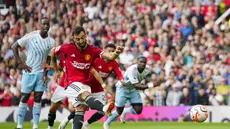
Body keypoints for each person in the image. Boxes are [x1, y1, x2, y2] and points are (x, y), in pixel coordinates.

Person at [50, 26, 123, 129]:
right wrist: (56, 69)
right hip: (71, 83)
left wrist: (116, 53)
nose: (81, 40)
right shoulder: (67, 48)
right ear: (73, 38)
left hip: (85, 84)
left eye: (83, 37)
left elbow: (110, 57)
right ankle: (104, 107)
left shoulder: (92, 50)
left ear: (86, 35)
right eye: (78, 39)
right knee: (84, 95)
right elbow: (52, 52)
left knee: (80, 110)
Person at [11, 17, 55, 129]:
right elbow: (14, 46)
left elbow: (49, 59)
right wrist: (20, 63)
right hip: (29, 72)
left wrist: (46, 74)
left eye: (47, 24)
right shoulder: (31, 36)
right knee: (24, 97)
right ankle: (19, 125)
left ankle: (35, 125)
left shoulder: (51, 41)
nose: (46, 26)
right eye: (44, 24)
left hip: (41, 74)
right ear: (40, 25)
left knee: (38, 98)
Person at [103, 56, 153, 129]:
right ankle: (107, 123)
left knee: (138, 110)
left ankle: (125, 111)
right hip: (123, 89)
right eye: (140, 62)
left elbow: (145, 79)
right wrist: (151, 85)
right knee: (119, 110)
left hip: (133, 90)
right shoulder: (132, 69)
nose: (142, 64)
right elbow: (136, 85)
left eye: (144, 62)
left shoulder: (147, 69)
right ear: (137, 62)